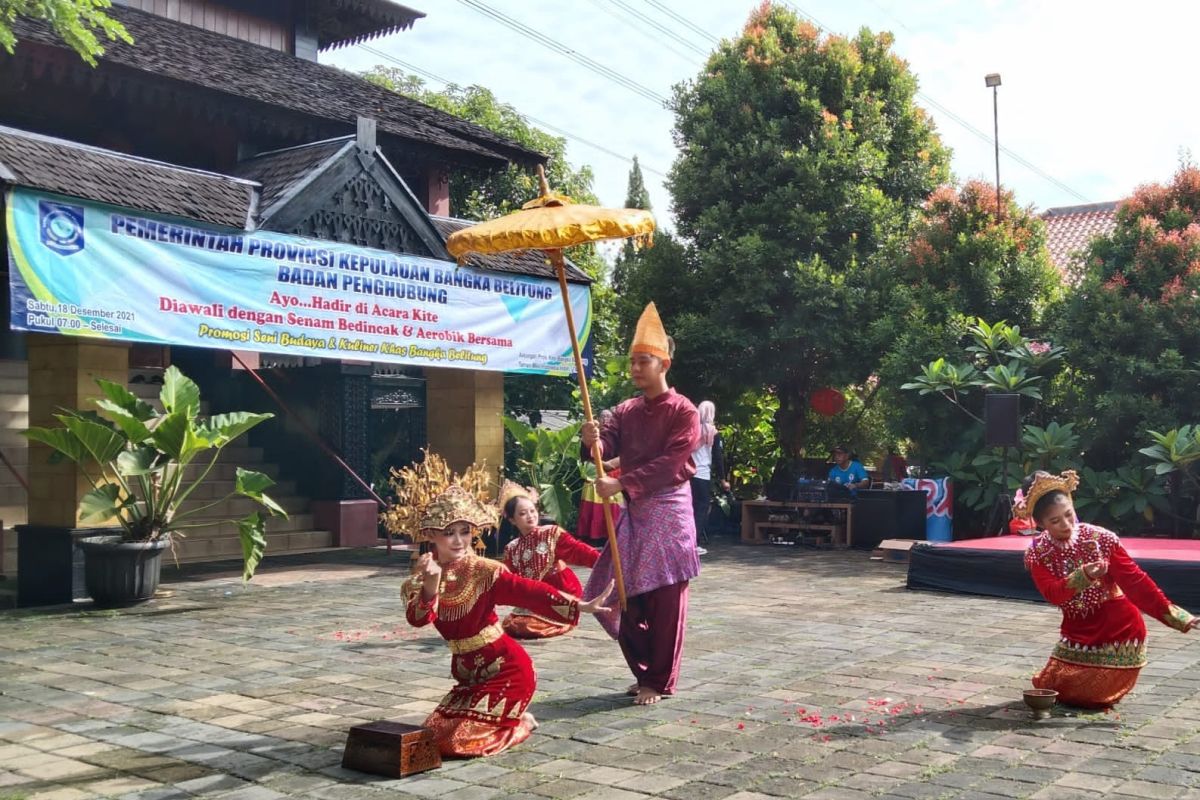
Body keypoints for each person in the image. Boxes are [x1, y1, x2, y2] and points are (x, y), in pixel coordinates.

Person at [405, 484, 613, 757]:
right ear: (432, 535)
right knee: (432, 736)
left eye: (465, 532)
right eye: (449, 533)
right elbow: (418, 620)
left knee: (456, 743)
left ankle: (519, 725)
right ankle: (509, 718)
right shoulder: (422, 575)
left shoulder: (485, 571)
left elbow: (528, 591)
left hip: (508, 671)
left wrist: (580, 605)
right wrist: (431, 586)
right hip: (468, 675)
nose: (459, 541)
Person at [580, 301, 701, 706]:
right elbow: (605, 445)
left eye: (642, 361)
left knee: (665, 600)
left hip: (668, 511)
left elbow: (674, 463)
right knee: (625, 597)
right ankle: (642, 671)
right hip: (634, 510)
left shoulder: (684, 412)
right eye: (632, 362)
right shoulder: (625, 411)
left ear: (663, 364)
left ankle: (659, 680)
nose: (634, 369)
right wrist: (592, 439)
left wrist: (622, 482)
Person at [1019, 469, 1196, 708]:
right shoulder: (1038, 553)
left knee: (1089, 696)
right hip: (1077, 633)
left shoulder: (1101, 539)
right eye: (1055, 521)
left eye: (1069, 515)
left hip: (1119, 631)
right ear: (1040, 524)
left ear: (1073, 505)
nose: (1066, 524)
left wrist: (1176, 615)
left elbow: (1136, 582)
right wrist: (1084, 575)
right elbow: (1053, 593)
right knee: (1051, 686)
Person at [499, 481, 600, 639]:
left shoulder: (552, 534)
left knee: (525, 626)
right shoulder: (512, 548)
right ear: (512, 520)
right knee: (511, 625)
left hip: (561, 592)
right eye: (522, 513)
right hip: (535, 597)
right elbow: (506, 580)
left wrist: (606, 562)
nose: (530, 516)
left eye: (532, 511)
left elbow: (580, 551)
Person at [577, 409, 625, 544]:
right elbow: (589, 456)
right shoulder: (597, 436)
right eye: (602, 417)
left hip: (615, 480)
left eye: (608, 417)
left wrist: (608, 464)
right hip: (595, 478)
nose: (605, 421)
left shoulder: (622, 433)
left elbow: (627, 455)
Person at [690, 400, 730, 555]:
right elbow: (718, 458)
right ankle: (694, 543)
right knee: (702, 508)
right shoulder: (712, 432)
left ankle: (687, 542)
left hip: (688, 475)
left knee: (690, 508)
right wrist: (723, 479)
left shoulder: (691, 430)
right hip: (703, 475)